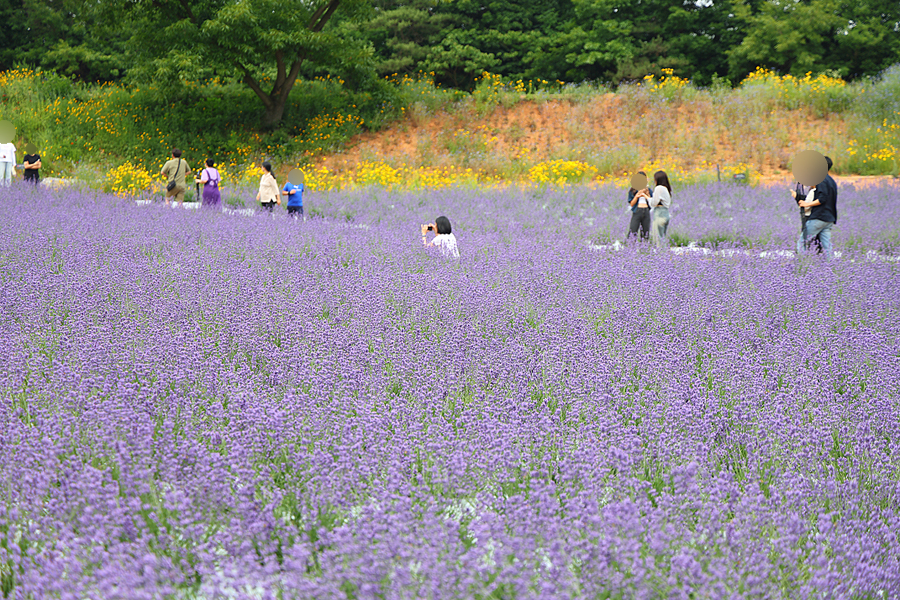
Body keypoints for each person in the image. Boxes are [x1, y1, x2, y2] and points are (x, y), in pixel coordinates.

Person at [796, 156, 838, 260]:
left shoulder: (821, 179)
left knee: (803, 242)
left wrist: (806, 204)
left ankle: (801, 263)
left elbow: (822, 198)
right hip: (829, 219)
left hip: (818, 217)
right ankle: (831, 265)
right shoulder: (831, 181)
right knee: (827, 246)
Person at [791, 181, 822, 254]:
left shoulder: (813, 192)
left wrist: (797, 198)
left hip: (809, 219)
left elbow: (806, 207)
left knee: (804, 243)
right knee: (817, 242)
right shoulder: (821, 192)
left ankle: (804, 257)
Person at [648, 170, 672, 246]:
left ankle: (661, 256)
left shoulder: (659, 188)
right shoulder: (666, 189)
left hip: (659, 214)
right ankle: (665, 256)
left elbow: (654, 203)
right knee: (662, 238)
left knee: (657, 239)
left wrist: (647, 197)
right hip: (666, 214)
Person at [627, 170, 651, 240]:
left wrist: (647, 193)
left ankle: (644, 247)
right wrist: (638, 195)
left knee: (645, 232)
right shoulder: (633, 190)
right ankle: (630, 246)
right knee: (633, 230)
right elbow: (631, 203)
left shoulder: (648, 189)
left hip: (646, 211)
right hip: (637, 210)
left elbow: (651, 201)